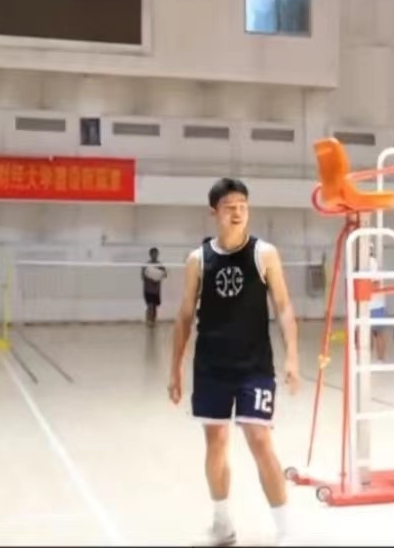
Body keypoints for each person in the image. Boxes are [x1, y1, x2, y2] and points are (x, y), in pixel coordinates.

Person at [168, 178, 301, 546]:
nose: (238, 212)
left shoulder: (264, 254)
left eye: (243, 206)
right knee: (216, 442)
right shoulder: (198, 260)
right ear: (215, 212)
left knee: (259, 438)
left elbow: (284, 307)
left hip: (254, 366)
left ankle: (286, 531)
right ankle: (222, 525)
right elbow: (184, 316)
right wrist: (175, 369)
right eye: (230, 207)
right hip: (211, 367)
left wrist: (292, 355)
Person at [143, 247, 168, 327]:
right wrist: (152, 278)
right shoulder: (147, 265)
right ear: (150, 254)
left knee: (154, 307)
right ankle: (149, 320)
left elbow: (165, 275)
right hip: (148, 289)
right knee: (150, 305)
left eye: (156, 254)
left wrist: (158, 276)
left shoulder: (159, 265)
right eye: (153, 254)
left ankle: (153, 321)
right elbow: (143, 276)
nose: (155, 255)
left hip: (156, 290)